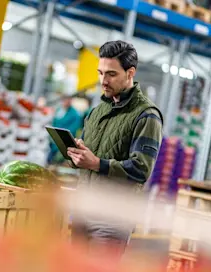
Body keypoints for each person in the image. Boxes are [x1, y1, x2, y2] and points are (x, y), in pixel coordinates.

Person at [66, 41, 163, 260]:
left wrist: (97, 163)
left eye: (111, 74)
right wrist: (76, 155)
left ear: (130, 73)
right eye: (100, 73)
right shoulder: (97, 111)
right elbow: (87, 156)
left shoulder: (146, 115)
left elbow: (141, 169)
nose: (103, 81)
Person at [47, 96, 82, 164]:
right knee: (49, 160)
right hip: (54, 141)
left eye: (68, 100)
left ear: (70, 101)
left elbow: (73, 129)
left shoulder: (75, 114)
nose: (66, 102)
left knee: (58, 161)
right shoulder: (59, 110)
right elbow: (54, 123)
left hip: (65, 143)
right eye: (64, 100)